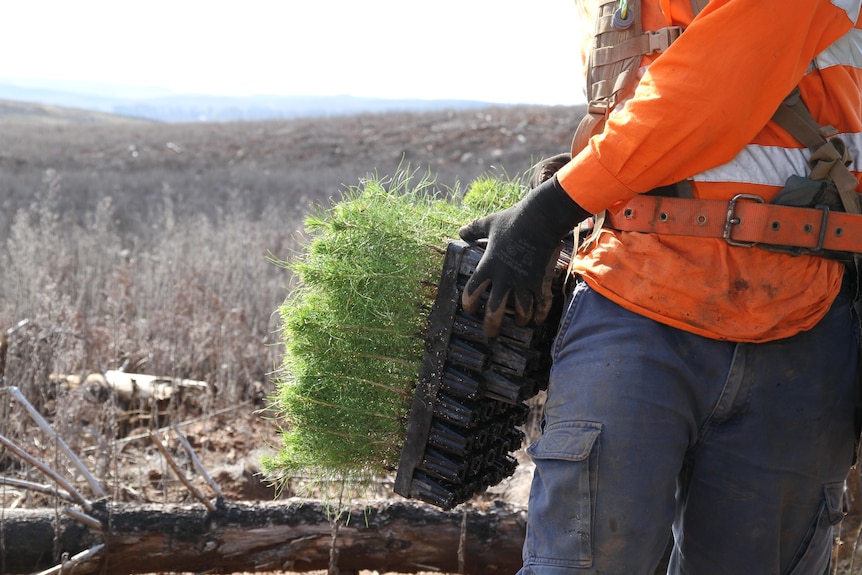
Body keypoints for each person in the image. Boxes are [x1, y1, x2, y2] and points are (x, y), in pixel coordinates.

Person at [458, 0, 862, 573]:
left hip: (796, 308)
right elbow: (642, 113)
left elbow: (710, 94)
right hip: (630, 295)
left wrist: (548, 211)